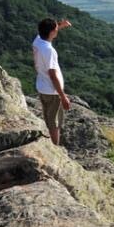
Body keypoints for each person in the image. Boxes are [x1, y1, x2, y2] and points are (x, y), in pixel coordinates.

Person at [33, 17, 72, 145]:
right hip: (52, 91)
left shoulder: (37, 42)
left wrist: (61, 25)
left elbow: (46, 32)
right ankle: (55, 148)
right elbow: (52, 74)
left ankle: (52, 144)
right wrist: (63, 96)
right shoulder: (49, 50)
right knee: (54, 123)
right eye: (56, 29)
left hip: (42, 87)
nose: (57, 30)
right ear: (52, 32)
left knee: (49, 119)